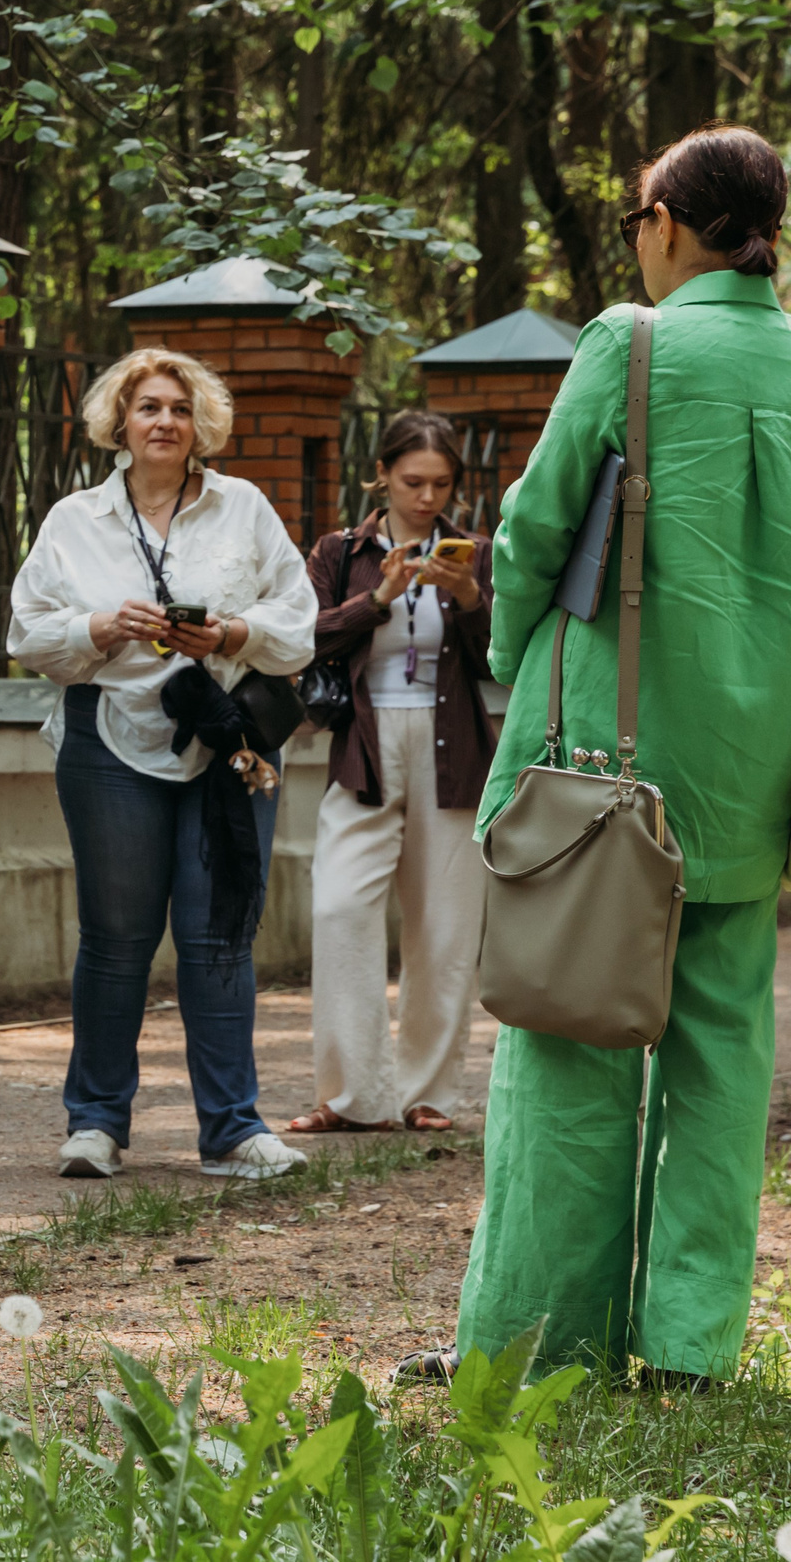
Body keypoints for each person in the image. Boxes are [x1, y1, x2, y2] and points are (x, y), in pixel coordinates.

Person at [403, 124, 791, 1388]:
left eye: (638, 216)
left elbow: (530, 528)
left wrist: (515, 655)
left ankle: (541, 1342)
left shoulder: (629, 342)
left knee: (570, 1046)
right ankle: (690, 1346)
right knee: (724, 1054)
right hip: (758, 775)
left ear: (671, 222)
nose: (638, 237)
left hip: (608, 767)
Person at [8, 348, 318, 1183]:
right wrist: (100, 627)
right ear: (120, 420)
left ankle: (232, 1127)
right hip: (110, 742)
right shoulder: (75, 520)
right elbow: (26, 634)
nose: (164, 422)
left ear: (199, 424)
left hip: (228, 744)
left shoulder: (243, 507)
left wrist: (230, 635)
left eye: (179, 409)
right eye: (148, 407)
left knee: (220, 938)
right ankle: (96, 1123)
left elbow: (299, 620)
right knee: (116, 940)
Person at [292, 412, 493, 1137]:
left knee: (445, 926)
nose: (428, 496)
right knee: (340, 908)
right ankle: (350, 1094)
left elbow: (503, 656)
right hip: (365, 747)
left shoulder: (477, 554)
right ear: (382, 474)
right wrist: (377, 599)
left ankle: (428, 1092)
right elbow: (303, 635)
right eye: (413, 481)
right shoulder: (340, 551)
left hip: (455, 749)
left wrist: (469, 597)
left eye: (441, 484)